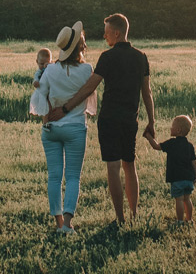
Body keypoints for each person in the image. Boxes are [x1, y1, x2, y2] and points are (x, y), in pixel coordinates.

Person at [47, 13, 154, 223]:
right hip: (131, 119)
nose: (105, 37)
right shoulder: (141, 57)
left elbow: (89, 87)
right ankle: (134, 214)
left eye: (106, 33)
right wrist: (151, 121)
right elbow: (147, 92)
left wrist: (66, 108)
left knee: (113, 167)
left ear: (116, 32)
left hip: (110, 120)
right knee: (130, 165)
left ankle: (120, 218)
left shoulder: (107, 57)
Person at [30, 21, 96, 234]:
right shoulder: (87, 69)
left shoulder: (50, 70)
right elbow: (89, 96)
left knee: (54, 176)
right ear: (80, 47)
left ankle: (58, 223)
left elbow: (41, 97)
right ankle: (67, 224)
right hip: (76, 127)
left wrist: (46, 120)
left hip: (51, 128)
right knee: (73, 176)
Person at [146, 115, 196, 224]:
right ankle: (189, 219)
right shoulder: (190, 146)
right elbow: (194, 162)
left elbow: (156, 146)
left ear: (178, 130)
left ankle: (179, 221)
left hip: (177, 178)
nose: (170, 128)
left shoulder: (171, 143)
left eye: (172, 126)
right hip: (189, 178)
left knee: (179, 199)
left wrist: (148, 136)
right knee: (187, 199)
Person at [28, 48, 53, 117]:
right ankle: (45, 122)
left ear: (51, 62)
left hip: (51, 93)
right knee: (44, 110)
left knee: (52, 108)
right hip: (42, 93)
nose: (44, 66)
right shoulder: (39, 71)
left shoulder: (52, 69)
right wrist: (35, 82)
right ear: (37, 62)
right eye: (41, 64)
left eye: (47, 63)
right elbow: (36, 77)